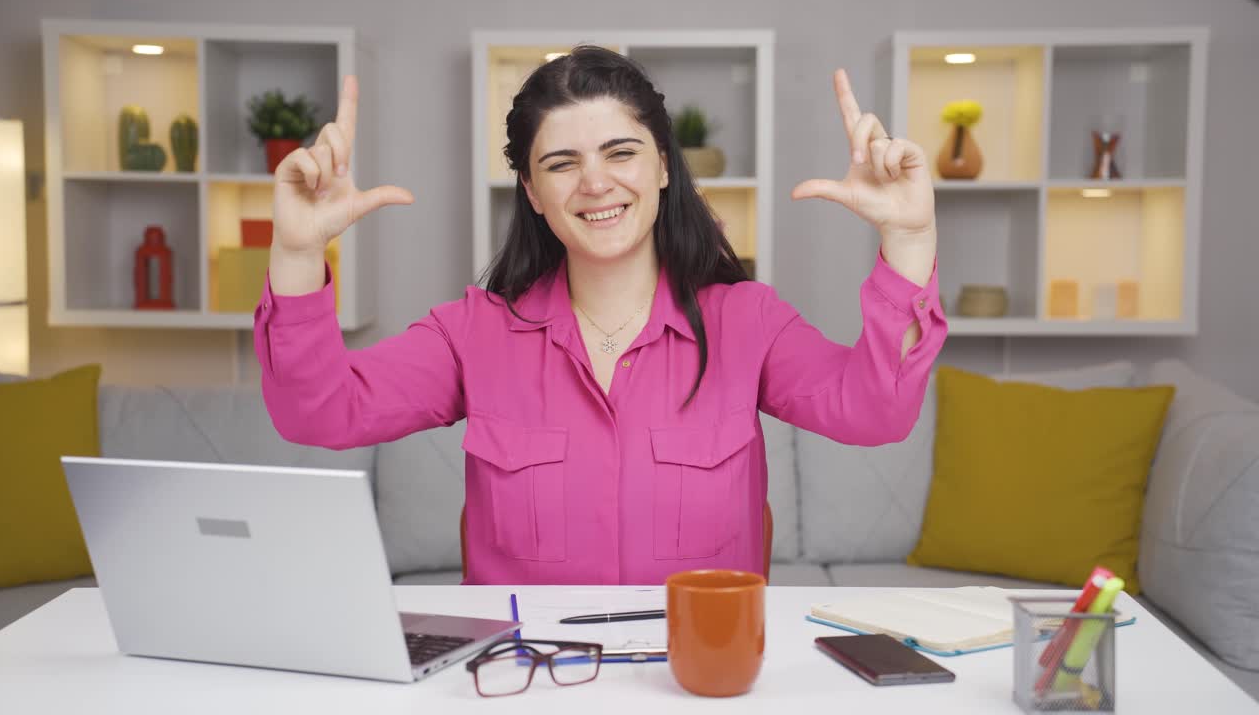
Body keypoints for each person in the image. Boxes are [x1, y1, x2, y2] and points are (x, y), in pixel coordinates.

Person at [255, 46, 947, 585]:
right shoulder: (472, 334)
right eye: (562, 163)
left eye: (621, 152)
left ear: (665, 168)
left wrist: (909, 240)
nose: (595, 182)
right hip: (525, 678)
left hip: (698, 679)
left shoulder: (748, 322)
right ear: (531, 191)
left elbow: (876, 413)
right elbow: (316, 413)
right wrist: (295, 249)